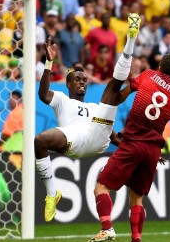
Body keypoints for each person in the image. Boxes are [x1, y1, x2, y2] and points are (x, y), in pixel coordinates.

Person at [35, 13, 142, 222]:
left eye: (85, 79)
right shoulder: (62, 99)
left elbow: (115, 138)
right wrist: (49, 62)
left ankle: (130, 53)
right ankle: (51, 194)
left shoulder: (94, 108)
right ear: (68, 84)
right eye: (77, 79)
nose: (82, 82)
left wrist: (143, 152)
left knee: (110, 98)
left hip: (96, 139)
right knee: (40, 141)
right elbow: (42, 94)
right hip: (74, 138)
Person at [85, 52, 170, 242]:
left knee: (101, 187)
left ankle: (107, 228)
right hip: (152, 150)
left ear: (160, 66)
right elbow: (166, 112)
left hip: (132, 143)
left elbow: (121, 96)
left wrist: (108, 106)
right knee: (137, 197)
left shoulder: (148, 75)